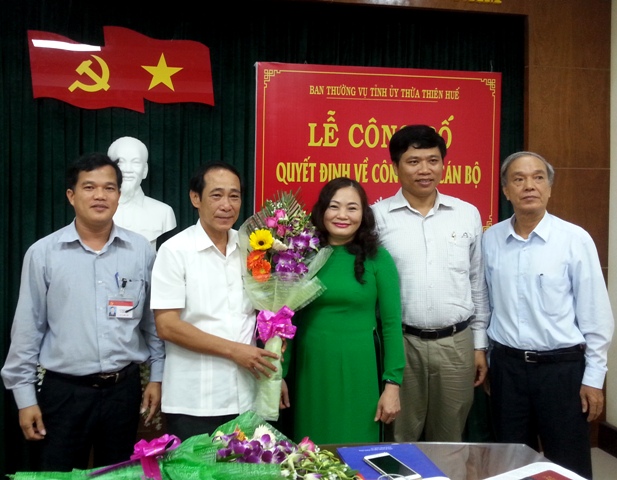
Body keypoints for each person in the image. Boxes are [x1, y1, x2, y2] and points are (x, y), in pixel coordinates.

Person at [1, 153, 164, 471]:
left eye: (109, 188)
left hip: (123, 392)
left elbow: (153, 324)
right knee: (58, 474)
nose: (100, 195)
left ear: (119, 195)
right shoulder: (43, 253)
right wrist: (25, 399)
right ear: (71, 196)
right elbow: (27, 330)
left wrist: (156, 378)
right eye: (89, 187)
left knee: (117, 476)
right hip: (64, 394)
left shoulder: (141, 251)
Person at [482, 151, 614, 479]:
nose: (529, 186)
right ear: (506, 190)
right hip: (508, 370)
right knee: (511, 465)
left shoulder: (574, 239)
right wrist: (488, 358)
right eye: (519, 179)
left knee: (568, 465)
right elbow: (485, 303)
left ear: (550, 188)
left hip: (562, 372)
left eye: (538, 178)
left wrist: (594, 378)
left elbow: (596, 315)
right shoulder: (491, 239)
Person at [372, 124, 490, 442]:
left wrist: (479, 345)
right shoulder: (376, 218)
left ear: (443, 164)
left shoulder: (466, 214)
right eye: (413, 161)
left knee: (450, 439)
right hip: (400, 344)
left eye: (433, 160)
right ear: (395, 166)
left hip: (457, 344)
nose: (425, 170)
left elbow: (477, 282)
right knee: (399, 438)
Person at [150, 162, 279, 440]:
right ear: (195, 198)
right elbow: (167, 326)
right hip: (194, 401)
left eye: (234, 196)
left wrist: (274, 374)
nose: (226, 205)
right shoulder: (175, 250)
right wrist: (235, 351)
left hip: (248, 397)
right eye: (216, 195)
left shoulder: (252, 248)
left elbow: (262, 316)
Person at [283, 177, 405, 444]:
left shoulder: (378, 259)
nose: (342, 215)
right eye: (334, 206)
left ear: (364, 214)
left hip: (360, 369)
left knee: (356, 447)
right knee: (311, 448)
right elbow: (286, 320)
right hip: (311, 370)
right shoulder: (302, 255)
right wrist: (279, 375)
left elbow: (391, 325)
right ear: (322, 210)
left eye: (352, 208)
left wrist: (392, 384)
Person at [108, 136, 176, 250]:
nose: (127, 169)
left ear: (145, 170)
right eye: (120, 162)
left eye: (135, 162)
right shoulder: (97, 210)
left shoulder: (164, 212)